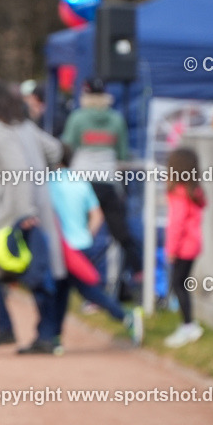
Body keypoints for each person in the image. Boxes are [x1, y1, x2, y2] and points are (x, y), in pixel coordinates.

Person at [0, 78, 64, 354]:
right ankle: (44, 335)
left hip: (18, 213)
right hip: (40, 208)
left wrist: (24, 213)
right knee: (40, 274)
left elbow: (18, 172)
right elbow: (55, 150)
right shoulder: (25, 126)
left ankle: (7, 328)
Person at [49, 144, 142, 346]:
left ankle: (125, 316)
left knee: (81, 290)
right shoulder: (81, 183)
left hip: (63, 247)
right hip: (82, 244)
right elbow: (97, 216)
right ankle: (53, 336)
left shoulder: (49, 183)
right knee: (67, 290)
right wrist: (86, 236)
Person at [61, 78, 142, 288]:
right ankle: (141, 273)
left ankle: (80, 278)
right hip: (108, 182)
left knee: (78, 232)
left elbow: (67, 148)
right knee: (121, 233)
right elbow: (122, 153)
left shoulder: (77, 118)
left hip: (80, 183)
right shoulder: (116, 119)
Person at [163, 147, 206, 348]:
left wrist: (171, 249)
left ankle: (188, 325)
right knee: (182, 285)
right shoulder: (194, 192)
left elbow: (176, 224)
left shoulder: (179, 193)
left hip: (183, 248)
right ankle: (187, 324)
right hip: (193, 246)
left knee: (179, 286)